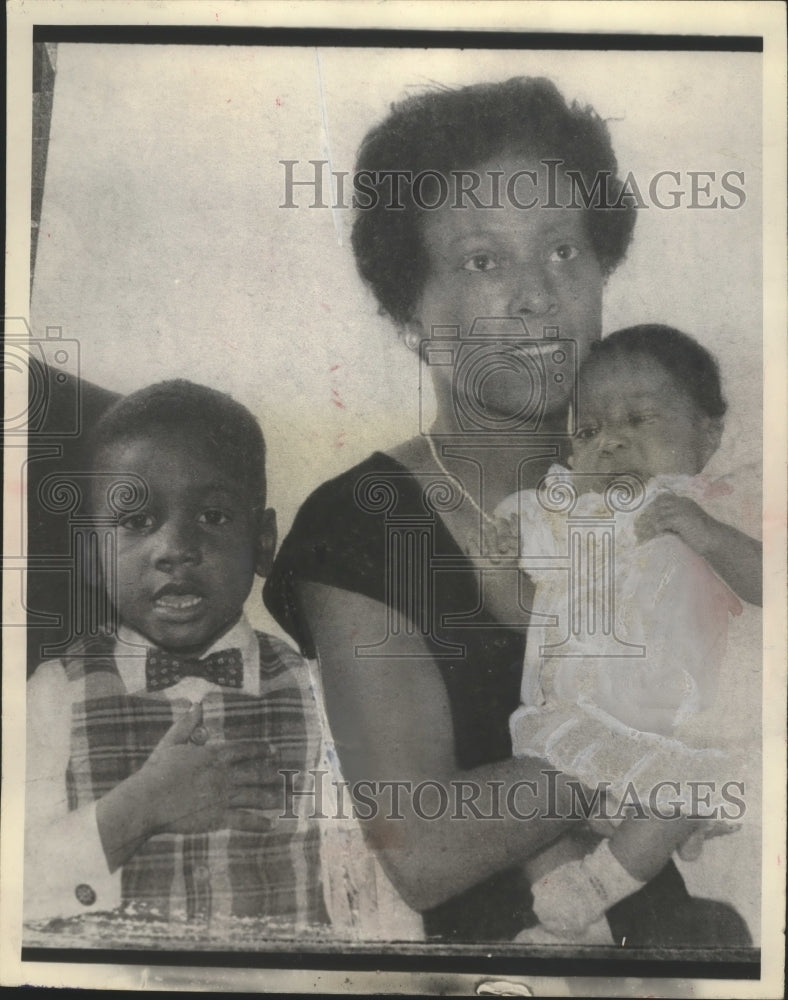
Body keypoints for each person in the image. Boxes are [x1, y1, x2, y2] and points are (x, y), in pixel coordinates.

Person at [264, 77, 752, 944]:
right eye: (483, 261)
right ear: (408, 309)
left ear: (604, 269)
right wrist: (682, 745)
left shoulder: (679, 472)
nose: (537, 294)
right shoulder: (365, 524)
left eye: (564, 250)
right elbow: (422, 847)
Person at [488, 325, 762, 942]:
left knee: (682, 792)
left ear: (708, 433)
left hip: (675, 719)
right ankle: (571, 926)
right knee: (536, 799)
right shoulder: (571, 506)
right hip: (580, 707)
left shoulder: (718, 500)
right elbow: (531, 575)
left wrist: (711, 535)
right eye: (588, 432)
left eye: (639, 420)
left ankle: (596, 888)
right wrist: (511, 544)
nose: (611, 441)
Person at [25, 380, 327, 928]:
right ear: (93, 558)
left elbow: (370, 883)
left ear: (263, 543)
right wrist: (139, 808)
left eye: (212, 516)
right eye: (137, 523)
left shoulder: (319, 690)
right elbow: (12, 883)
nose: (175, 549)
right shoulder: (52, 691)